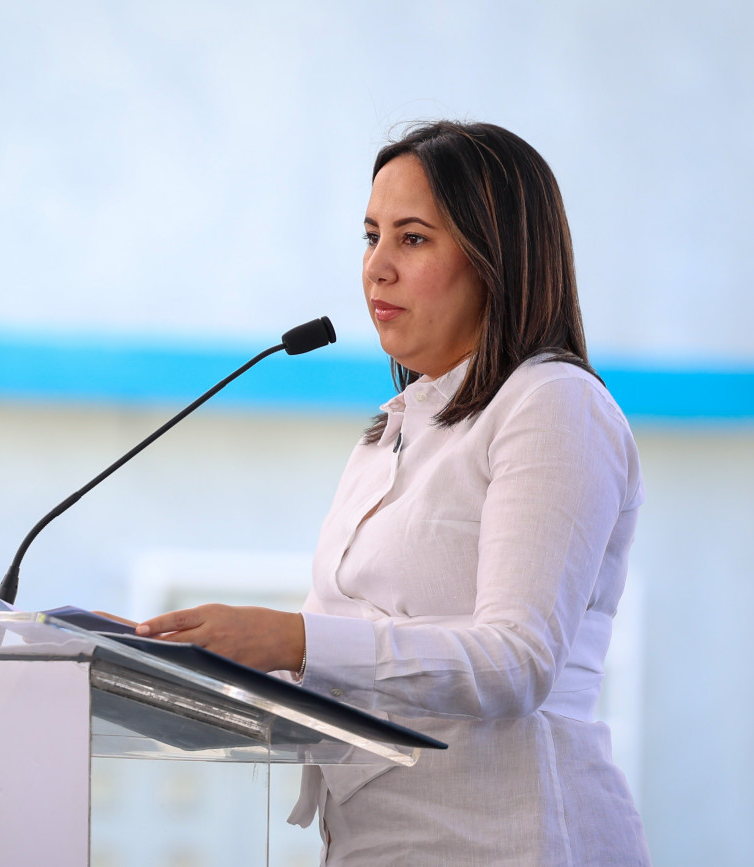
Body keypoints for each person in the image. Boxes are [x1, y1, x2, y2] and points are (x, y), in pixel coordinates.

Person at [134, 120, 650, 865]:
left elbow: (518, 660)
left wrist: (292, 638)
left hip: (509, 841)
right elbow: (330, 660)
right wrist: (156, 656)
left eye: (412, 238)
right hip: (373, 841)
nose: (376, 268)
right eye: (371, 236)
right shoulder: (395, 428)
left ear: (497, 257)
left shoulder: (552, 403)